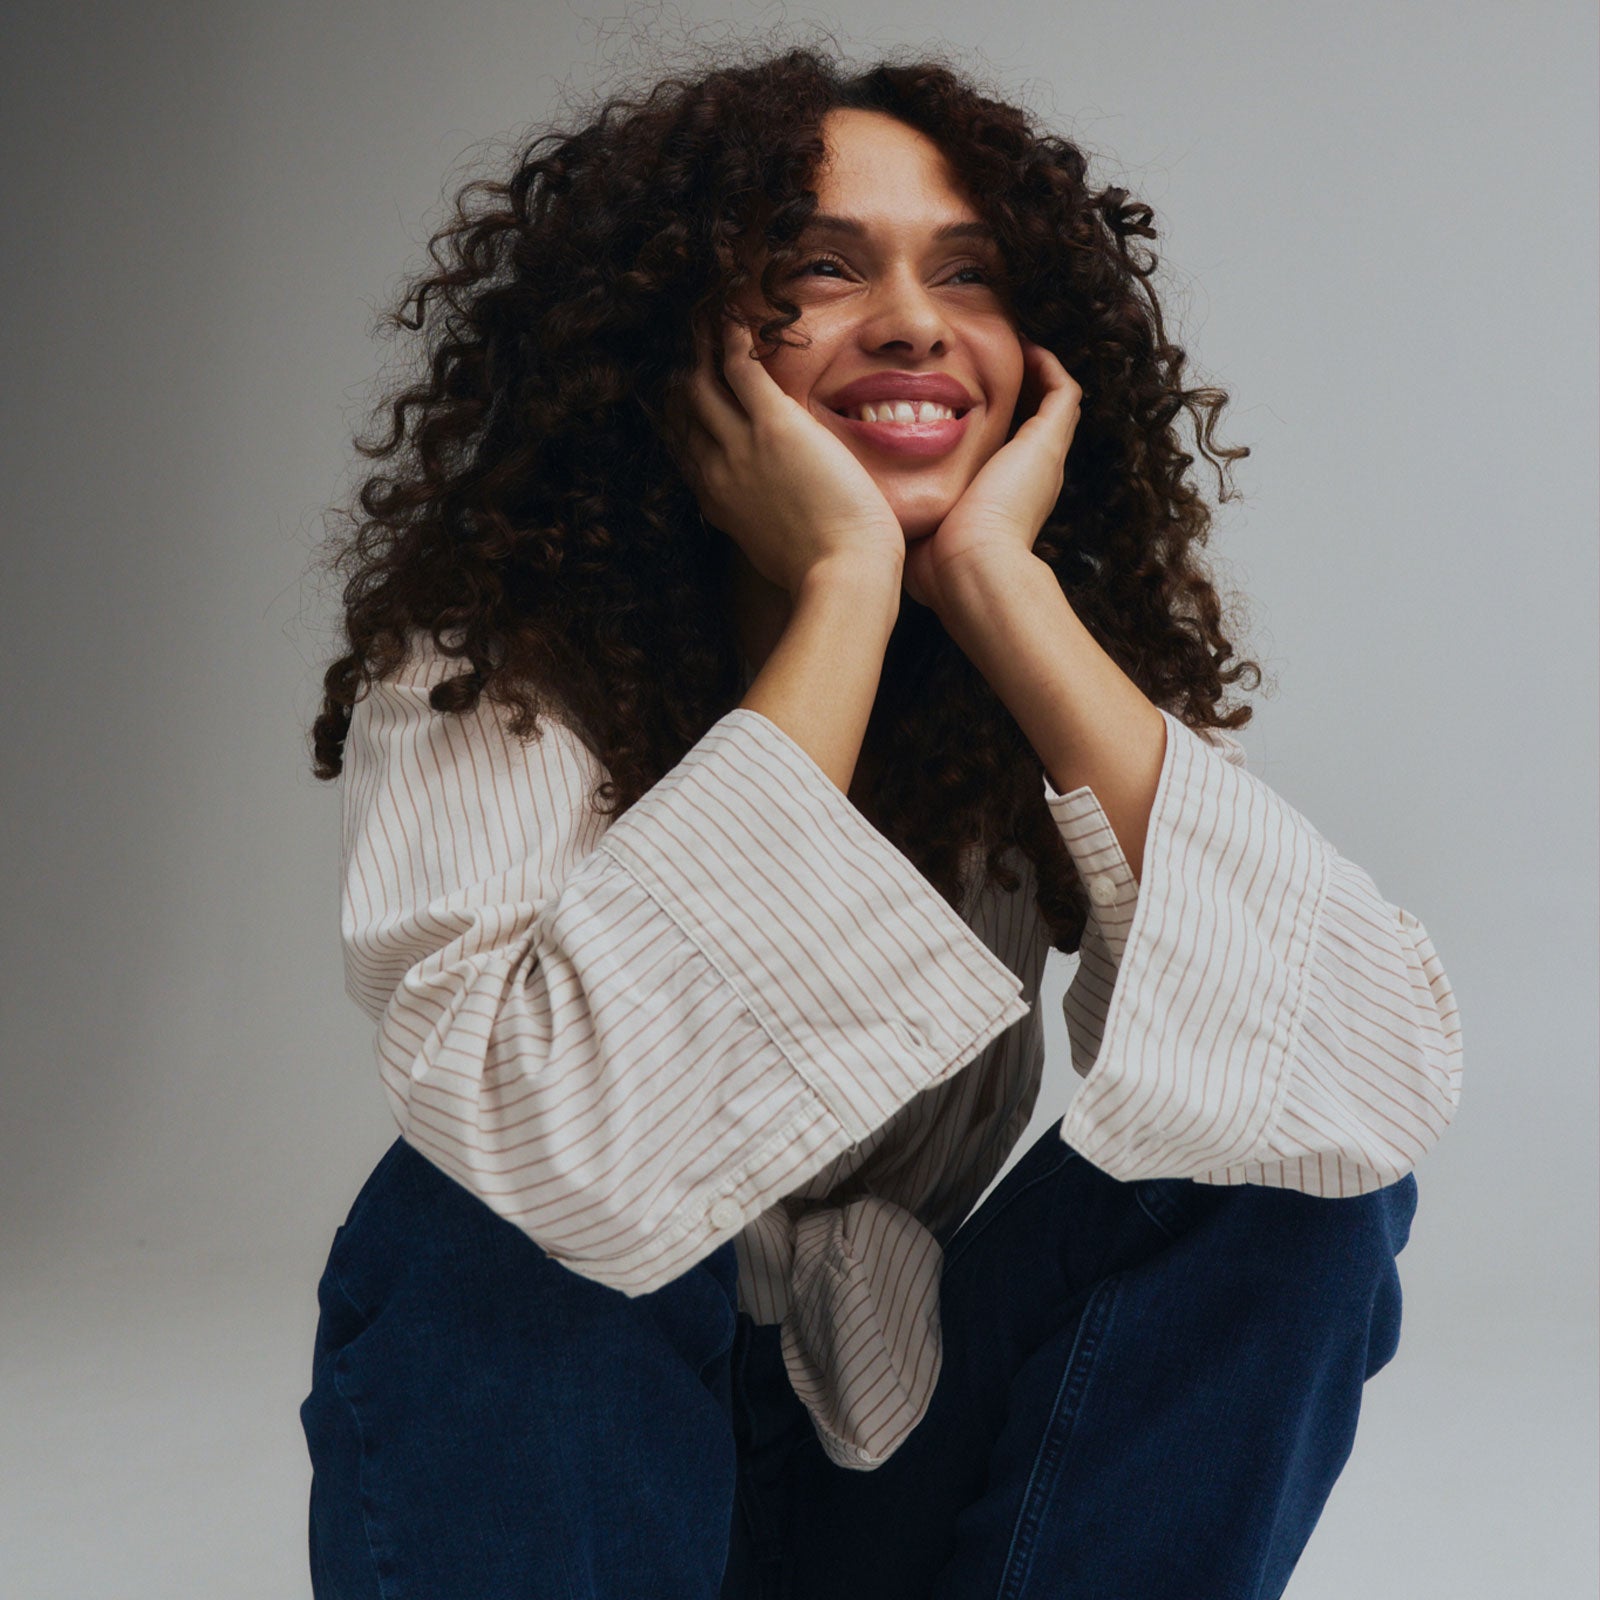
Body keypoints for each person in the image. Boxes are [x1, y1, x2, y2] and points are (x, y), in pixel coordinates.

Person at [297, 43, 1463, 1600]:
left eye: (969, 274)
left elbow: (1357, 1082)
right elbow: (563, 1151)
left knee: (1291, 1160)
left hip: (892, 1448)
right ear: (672, 331)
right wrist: (845, 589)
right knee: (484, 1196)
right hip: (568, 1461)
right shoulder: (490, 668)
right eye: (821, 268)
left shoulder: (1020, 663)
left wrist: (1000, 586)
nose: (913, 320)